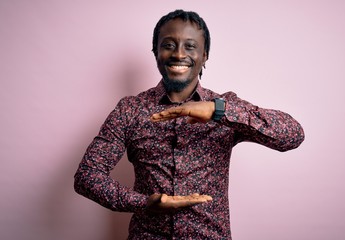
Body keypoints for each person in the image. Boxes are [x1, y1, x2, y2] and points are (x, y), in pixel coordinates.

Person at [74, 9, 305, 239]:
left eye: (190, 46)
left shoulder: (225, 107)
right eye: (169, 45)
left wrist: (219, 110)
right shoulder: (130, 109)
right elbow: (87, 176)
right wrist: (143, 202)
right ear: (156, 52)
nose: (179, 54)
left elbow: (292, 135)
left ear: (205, 55)